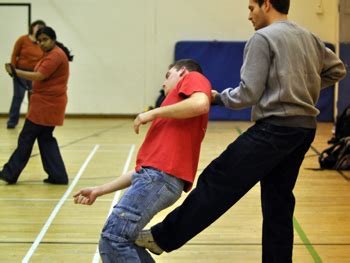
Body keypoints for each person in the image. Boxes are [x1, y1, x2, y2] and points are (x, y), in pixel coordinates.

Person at [135, 0, 347, 262]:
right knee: (278, 203)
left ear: (266, 4)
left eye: (251, 8)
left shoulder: (262, 38)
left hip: (275, 129)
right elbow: (337, 69)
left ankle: (161, 237)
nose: (249, 16)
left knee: (218, 178)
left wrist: (217, 98)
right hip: (303, 130)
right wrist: (303, 88)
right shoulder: (309, 37)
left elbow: (247, 94)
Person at [73, 59, 211, 263]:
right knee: (123, 240)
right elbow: (143, 171)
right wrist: (100, 190)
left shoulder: (193, 77)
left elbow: (200, 103)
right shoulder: (174, 116)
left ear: (182, 72)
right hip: (155, 179)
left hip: (158, 180)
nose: (164, 84)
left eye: (167, 76)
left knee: (114, 239)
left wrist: (151, 113)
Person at [0, 26, 74, 185]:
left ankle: (9, 173)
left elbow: (40, 75)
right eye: (39, 41)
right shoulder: (52, 54)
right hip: (48, 104)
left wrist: (16, 72)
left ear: (53, 39)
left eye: (45, 40)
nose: (42, 43)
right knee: (46, 139)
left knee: (26, 138)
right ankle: (58, 176)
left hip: (46, 106)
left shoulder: (54, 56)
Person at [7, 19, 46, 129]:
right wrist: (13, 70)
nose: (39, 29)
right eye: (37, 27)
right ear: (32, 28)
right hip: (21, 72)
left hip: (35, 74)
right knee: (18, 96)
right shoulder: (22, 39)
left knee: (33, 98)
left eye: (42, 27)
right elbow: (14, 54)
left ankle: (31, 122)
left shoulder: (42, 42)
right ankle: (12, 122)